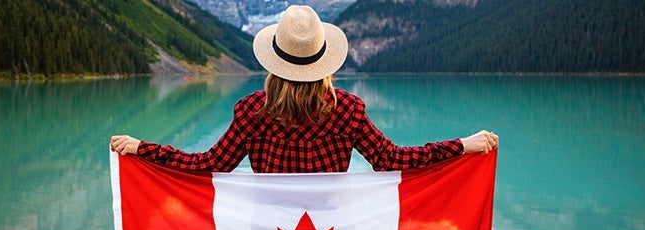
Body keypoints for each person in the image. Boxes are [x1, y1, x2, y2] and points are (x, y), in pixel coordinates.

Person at [111, 5, 498, 173]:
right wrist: (463, 145)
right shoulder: (348, 109)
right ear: (324, 62)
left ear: (274, 61)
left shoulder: (251, 112)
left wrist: (143, 149)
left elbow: (207, 166)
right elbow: (391, 159)